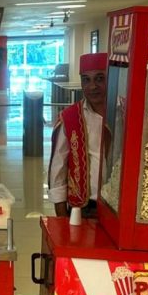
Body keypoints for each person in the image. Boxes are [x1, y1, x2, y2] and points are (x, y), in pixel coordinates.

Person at [48, 52, 108, 218]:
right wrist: (62, 216)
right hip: (84, 209)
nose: (92, 86)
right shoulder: (70, 117)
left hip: (122, 209)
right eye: (86, 80)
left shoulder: (128, 113)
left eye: (99, 78)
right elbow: (58, 167)